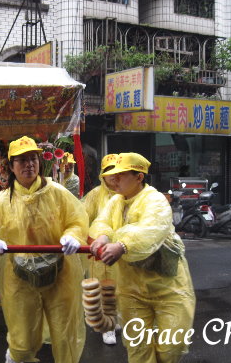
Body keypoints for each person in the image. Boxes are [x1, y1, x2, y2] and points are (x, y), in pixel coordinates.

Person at [0, 136, 89, 363]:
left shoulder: (57, 192)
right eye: (22, 160)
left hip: (60, 275)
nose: (29, 165)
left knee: (66, 335)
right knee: (22, 341)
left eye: (33, 159)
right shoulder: (1, 201)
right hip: (19, 278)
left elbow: (77, 220)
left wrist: (72, 235)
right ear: (11, 166)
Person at [89, 153, 195, 363]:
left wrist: (122, 245)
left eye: (121, 175)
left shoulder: (155, 200)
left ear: (139, 177)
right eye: (113, 176)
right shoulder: (116, 201)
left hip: (167, 288)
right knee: (138, 348)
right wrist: (102, 236)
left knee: (171, 346)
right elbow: (103, 222)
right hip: (131, 289)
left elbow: (151, 230)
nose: (115, 180)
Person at [82, 153, 122, 345]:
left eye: (117, 171)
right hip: (101, 253)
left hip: (123, 250)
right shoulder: (95, 195)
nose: (113, 176)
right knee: (104, 288)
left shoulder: (128, 193)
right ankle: (107, 327)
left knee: (122, 288)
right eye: (109, 171)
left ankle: (118, 319)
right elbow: (82, 219)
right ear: (102, 175)